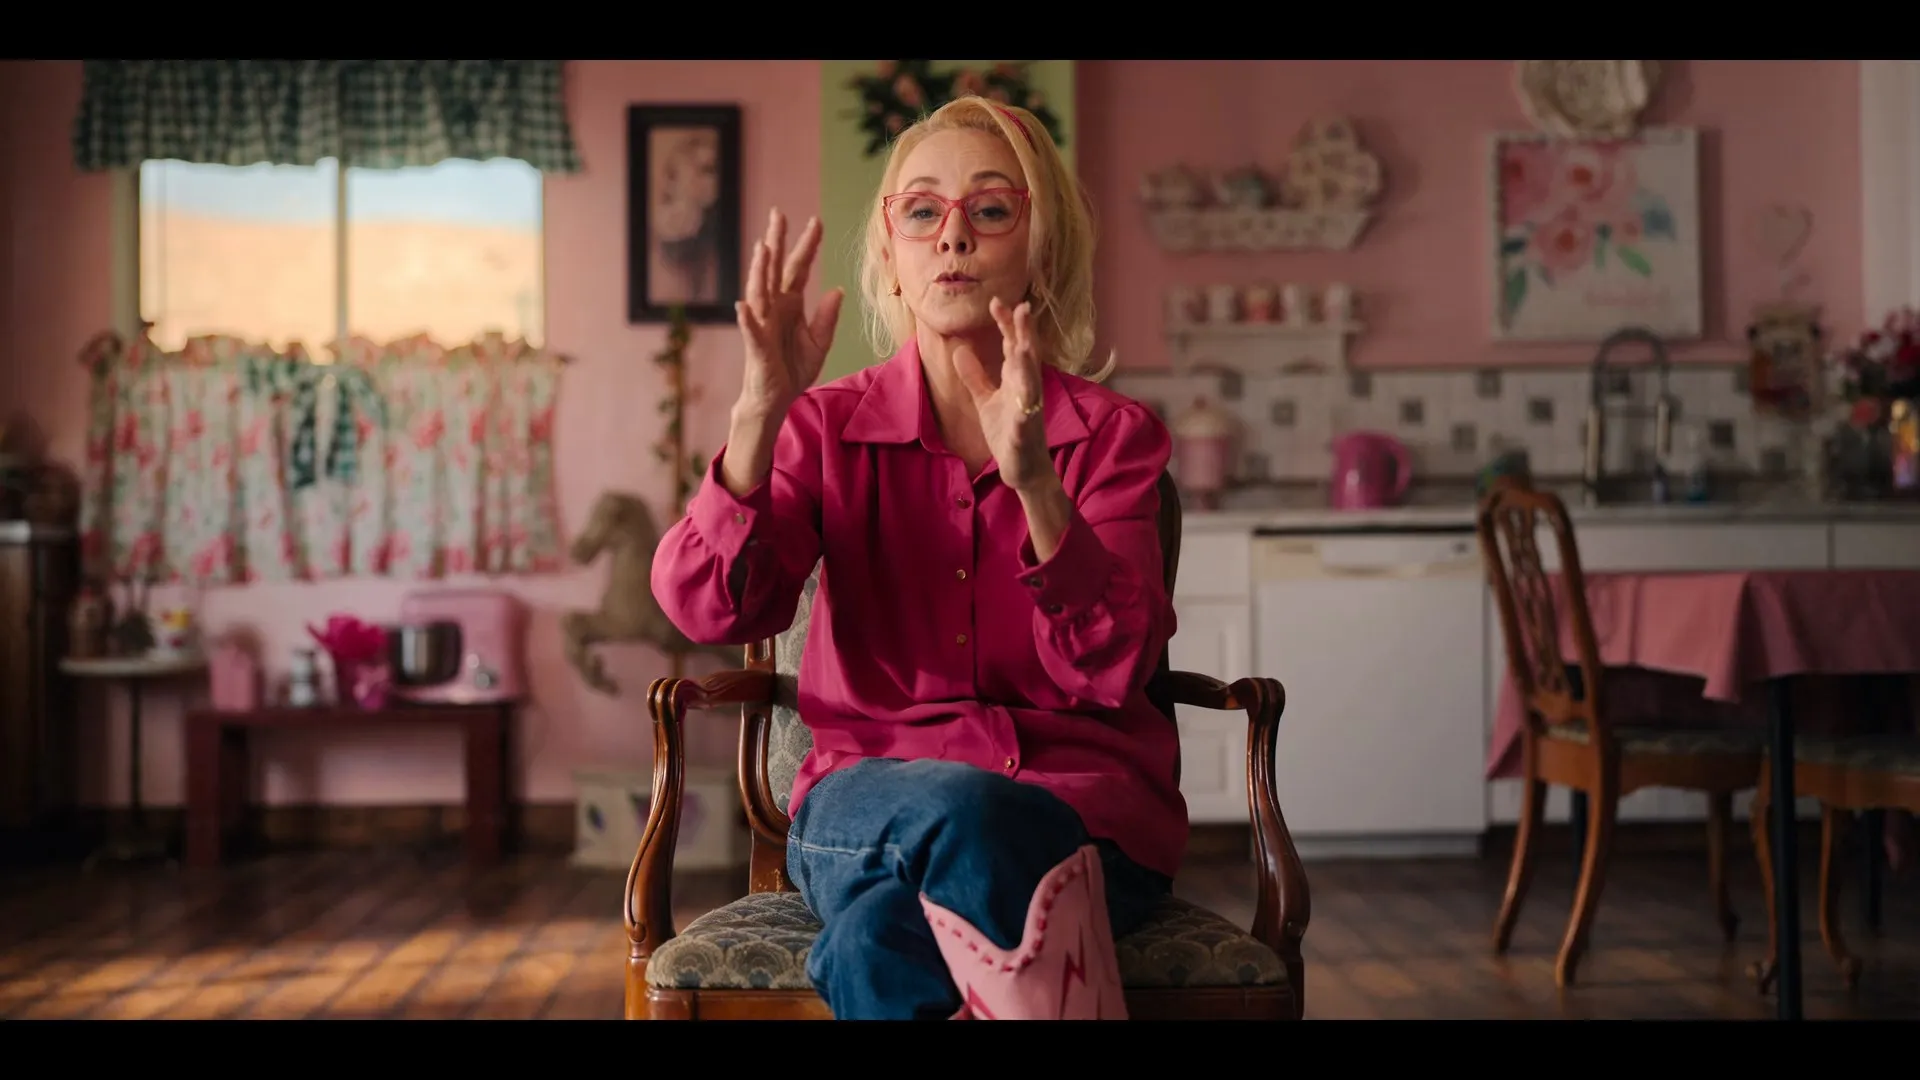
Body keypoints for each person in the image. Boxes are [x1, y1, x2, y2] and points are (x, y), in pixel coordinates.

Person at [650, 95, 1185, 1021]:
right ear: (892, 257)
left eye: (991, 209)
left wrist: (1036, 486)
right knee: (967, 810)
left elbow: (1113, 668)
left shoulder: (1111, 437)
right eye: (923, 210)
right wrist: (758, 413)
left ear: (1043, 249)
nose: (953, 236)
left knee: (873, 941)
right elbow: (711, 608)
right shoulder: (821, 429)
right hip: (867, 807)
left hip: (1082, 820)